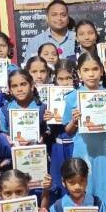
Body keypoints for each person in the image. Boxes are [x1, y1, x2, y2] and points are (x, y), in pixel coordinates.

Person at [63, 52, 106, 212]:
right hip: (83, 151)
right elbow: (68, 130)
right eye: (86, 70)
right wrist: (74, 120)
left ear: (102, 71)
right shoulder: (72, 97)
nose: (91, 74)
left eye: (95, 69)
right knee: (85, 186)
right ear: (79, 73)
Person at [44, 59, 78, 203]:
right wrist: (46, 119)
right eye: (61, 79)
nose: (65, 82)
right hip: (58, 147)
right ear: (55, 79)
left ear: (75, 78)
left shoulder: (80, 96)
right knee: (58, 183)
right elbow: (48, 132)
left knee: (76, 180)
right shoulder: (51, 98)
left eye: (68, 78)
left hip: (75, 145)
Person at [0, 69, 47, 148]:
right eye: (14, 86)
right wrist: (8, 140)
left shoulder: (42, 108)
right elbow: (4, 132)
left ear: (32, 86)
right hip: (14, 152)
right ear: (10, 90)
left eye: (23, 84)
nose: (19, 89)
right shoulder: (5, 110)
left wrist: (42, 138)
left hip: (36, 152)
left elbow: (47, 131)